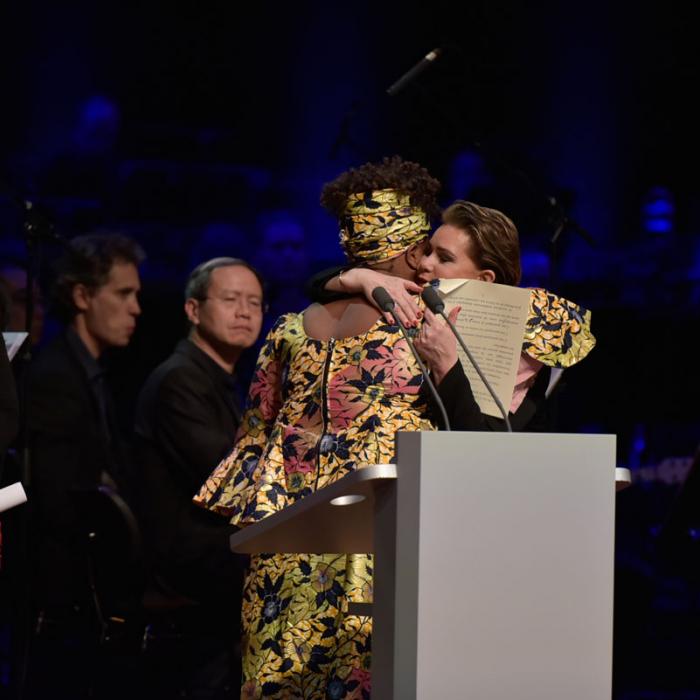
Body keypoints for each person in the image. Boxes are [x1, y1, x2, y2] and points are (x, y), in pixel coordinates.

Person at [194, 156, 441, 698]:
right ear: (406, 245)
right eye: (426, 248)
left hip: (288, 536)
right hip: (377, 535)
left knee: (283, 678)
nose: (431, 263)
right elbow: (565, 336)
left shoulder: (286, 329)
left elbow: (254, 438)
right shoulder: (426, 322)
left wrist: (345, 278)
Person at [311, 200, 596, 431]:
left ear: (485, 280)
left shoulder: (524, 336)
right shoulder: (411, 302)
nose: (424, 264)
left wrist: (446, 364)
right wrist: (360, 277)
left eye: (443, 258)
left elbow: (484, 442)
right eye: (428, 251)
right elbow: (315, 286)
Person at [134, 257, 266, 695]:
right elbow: (227, 478)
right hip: (191, 567)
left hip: (214, 559)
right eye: (230, 300)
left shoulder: (223, 380)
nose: (245, 312)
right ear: (193, 310)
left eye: (255, 303)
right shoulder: (178, 380)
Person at [26, 232, 144, 625]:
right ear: (82, 297)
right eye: (123, 294)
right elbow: (56, 496)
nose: (136, 309)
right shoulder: (56, 375)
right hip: (65, 588)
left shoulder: (93, 373)